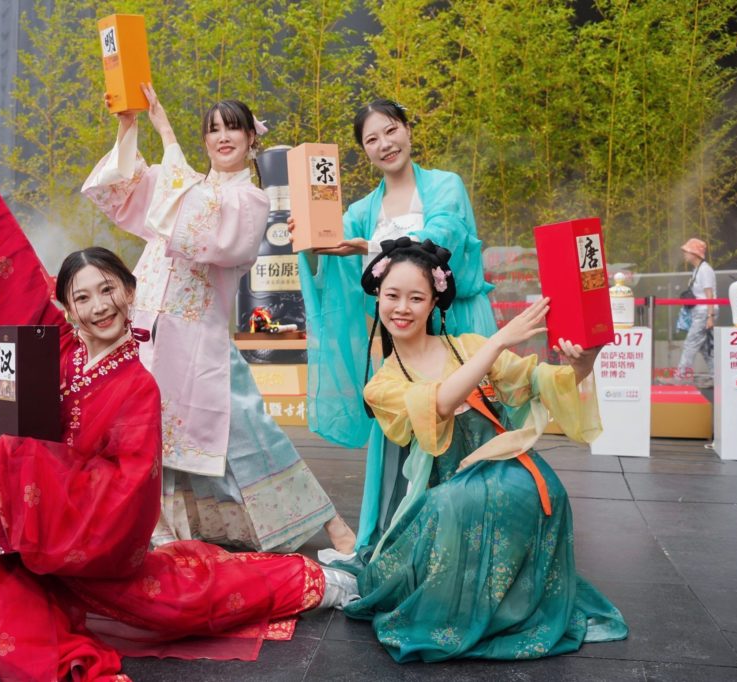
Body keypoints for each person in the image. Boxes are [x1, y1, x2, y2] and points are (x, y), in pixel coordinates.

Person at [0, 170, 357, 681]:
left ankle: (310, 582)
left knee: (178, 600)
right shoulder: (60, 354)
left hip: (94, 539)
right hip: (46, 530)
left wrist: (38, 477)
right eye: (82, 298)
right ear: (67, 309)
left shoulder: (137, 387)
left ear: (130, 291)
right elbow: (10, 281)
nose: (99, 306)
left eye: (107, 289)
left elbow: (129, 491)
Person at [82, 84, 355, 553]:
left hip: (199, 342)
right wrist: (129, 128)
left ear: (252, 139)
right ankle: (166, 530)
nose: (223, 137)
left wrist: (166, 132)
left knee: (250, 430)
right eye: (213, 130)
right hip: (148, 336)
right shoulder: (185, 186)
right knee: (151, 436)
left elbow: (205, 229)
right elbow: (122, 189)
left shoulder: (249, 200)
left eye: (233, 128)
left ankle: (331, 522)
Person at [338, 237, 627, 662]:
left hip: (507, 466)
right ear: (377, 297)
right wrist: (498, 343)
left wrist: (584, 361)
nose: (402, 308)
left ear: (434, 302)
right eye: (392, 295)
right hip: (445, 487)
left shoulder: (468, 346)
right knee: (449, 508)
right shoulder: (382, 383)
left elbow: (536, 381)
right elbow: (439, 403)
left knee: (545, 494)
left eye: (416, 298)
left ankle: (510, 607)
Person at [292, 99, 497, 550]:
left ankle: (474, 541)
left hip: (456, 323)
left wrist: (367, 246)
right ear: (363, 150)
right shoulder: (363, 209)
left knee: (467, 427)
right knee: (410, 431)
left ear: (407, 129)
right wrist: (308, 237)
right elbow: (333, 258)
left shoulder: (445, 185)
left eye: (390, 131)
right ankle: (406, 539)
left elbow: (440, 240)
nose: (385, 144)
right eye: (372, 139)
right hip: (404, 335)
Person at [676, 238, 715, 385]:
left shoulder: (704, 270)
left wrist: (710, 316)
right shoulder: (698, 270)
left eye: (687, 251)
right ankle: (716, 376)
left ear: (695, 253)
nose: (685, 254)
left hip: (704, 312)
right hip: (701, 311)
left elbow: (709, 294)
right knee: (705, 348)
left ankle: (681, 376)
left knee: (690, 343)